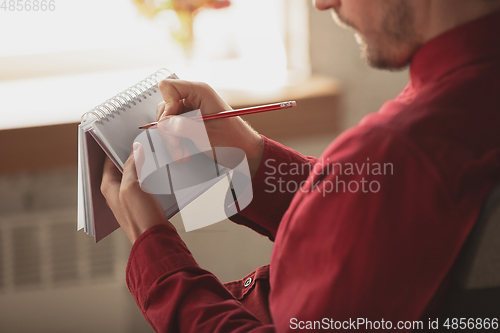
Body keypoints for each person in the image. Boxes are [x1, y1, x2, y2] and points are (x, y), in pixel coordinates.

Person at [101, 0, 500, 331]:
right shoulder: (462, 104)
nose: (322, 3)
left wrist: (151, 244)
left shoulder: (401, 147)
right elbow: (382, 215)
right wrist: (251, 156)